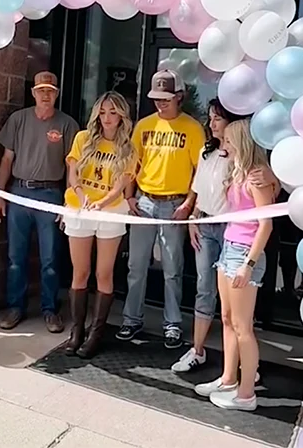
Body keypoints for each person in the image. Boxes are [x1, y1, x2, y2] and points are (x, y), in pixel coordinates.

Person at [117, 70, 208, 348]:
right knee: (136, 266)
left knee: (172, 268)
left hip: (174, 203)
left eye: (165, 98)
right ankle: (131, 319)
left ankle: (172, 324)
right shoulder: (144, 126)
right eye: (156, 98)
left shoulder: (192, 128)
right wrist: (130, 198)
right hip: (145, 201)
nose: (160, 103)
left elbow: (200, 172)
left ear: (179, 96)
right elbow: (132, 165)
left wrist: (188, 203)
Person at [194, 121, 278, 411]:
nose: (224, 145)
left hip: (244, 253)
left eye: (229, 140)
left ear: (241, 141)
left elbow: (265, 225)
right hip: (229, 247)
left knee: (243, 327)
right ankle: (228, 379)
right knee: (227, 319)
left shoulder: (257, 178)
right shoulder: (238, 172)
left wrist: (249, 265)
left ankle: (246, 394)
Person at [0, 72, 80, 332]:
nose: (45, 95)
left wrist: (68, 203)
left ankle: (50, 310)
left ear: (57, 93)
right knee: (15, 256)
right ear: (33, 93)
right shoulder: (18, 120)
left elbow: (72, 168)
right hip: (19, 192)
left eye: (50, 90)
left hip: (50, 194)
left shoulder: (67, 124)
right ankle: (15, 307)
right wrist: (0, 195)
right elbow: (7, 160)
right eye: (41, 90)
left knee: (50, 257)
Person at [60, 91, 138, 358]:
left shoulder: (128, 147)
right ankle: (77, 330)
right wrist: (82, 198)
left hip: (110, 212)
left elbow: (121, 185)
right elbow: (73, 173)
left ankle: (96, 333)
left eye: (113, 112)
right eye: (103, 112)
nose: (107, 118)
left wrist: (102, 202)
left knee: (103, 274)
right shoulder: (83, 138)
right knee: (79, 272)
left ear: (122, 116)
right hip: (79, 209)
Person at [171, 99, 245, 373]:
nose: (212, 124)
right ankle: (197, 349)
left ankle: (238, 360)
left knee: (232, 297)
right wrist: (192, 218)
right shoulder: (206, 151)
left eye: (218, 118)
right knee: (205, 288)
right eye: (210, 118)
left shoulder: (241, 155)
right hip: (204, 224)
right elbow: (199, 190)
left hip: (231, 230)